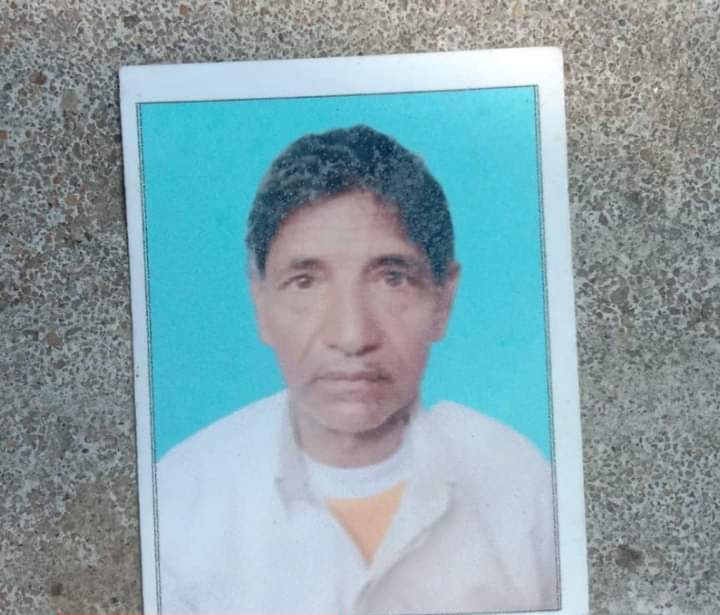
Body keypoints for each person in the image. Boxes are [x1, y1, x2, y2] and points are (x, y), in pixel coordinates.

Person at [157, 125, 559, 614]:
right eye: (305, 282)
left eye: (393, 279)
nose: (352, 336)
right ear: (260, 302)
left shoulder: (525, 485)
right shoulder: (176, 504)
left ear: (443, 301)